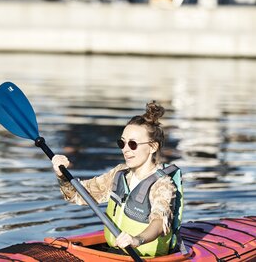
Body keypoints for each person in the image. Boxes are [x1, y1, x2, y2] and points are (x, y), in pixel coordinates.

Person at [51, 101, 183, 257]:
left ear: (153, 147)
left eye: (133, 144)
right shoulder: (119, 174)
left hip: (146, 257)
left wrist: (136, 240)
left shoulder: (162, 184)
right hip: (114, 252)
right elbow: (78, 194)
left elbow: (159, 223)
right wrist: (62, 176)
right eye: (122, 143)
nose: (125, 150)